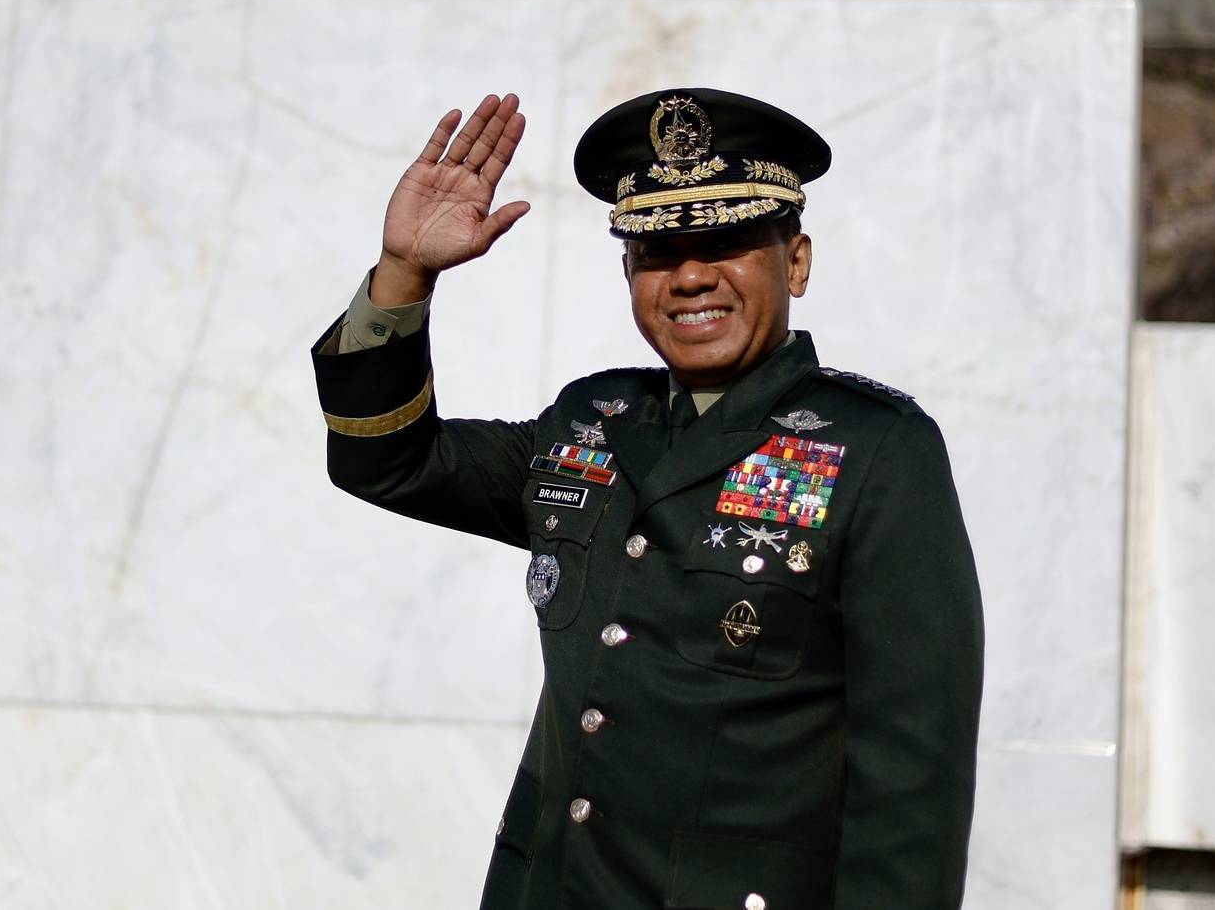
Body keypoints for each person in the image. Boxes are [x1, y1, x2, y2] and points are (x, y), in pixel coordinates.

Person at [311, 88, 984, 909]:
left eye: (730, 241)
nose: (692, 275)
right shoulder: (589, 421)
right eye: (659, 250)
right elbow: (384, 460)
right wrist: (404, 275)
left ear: (797, 261)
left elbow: (912, 788)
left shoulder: (877, 450)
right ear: (628, 271)